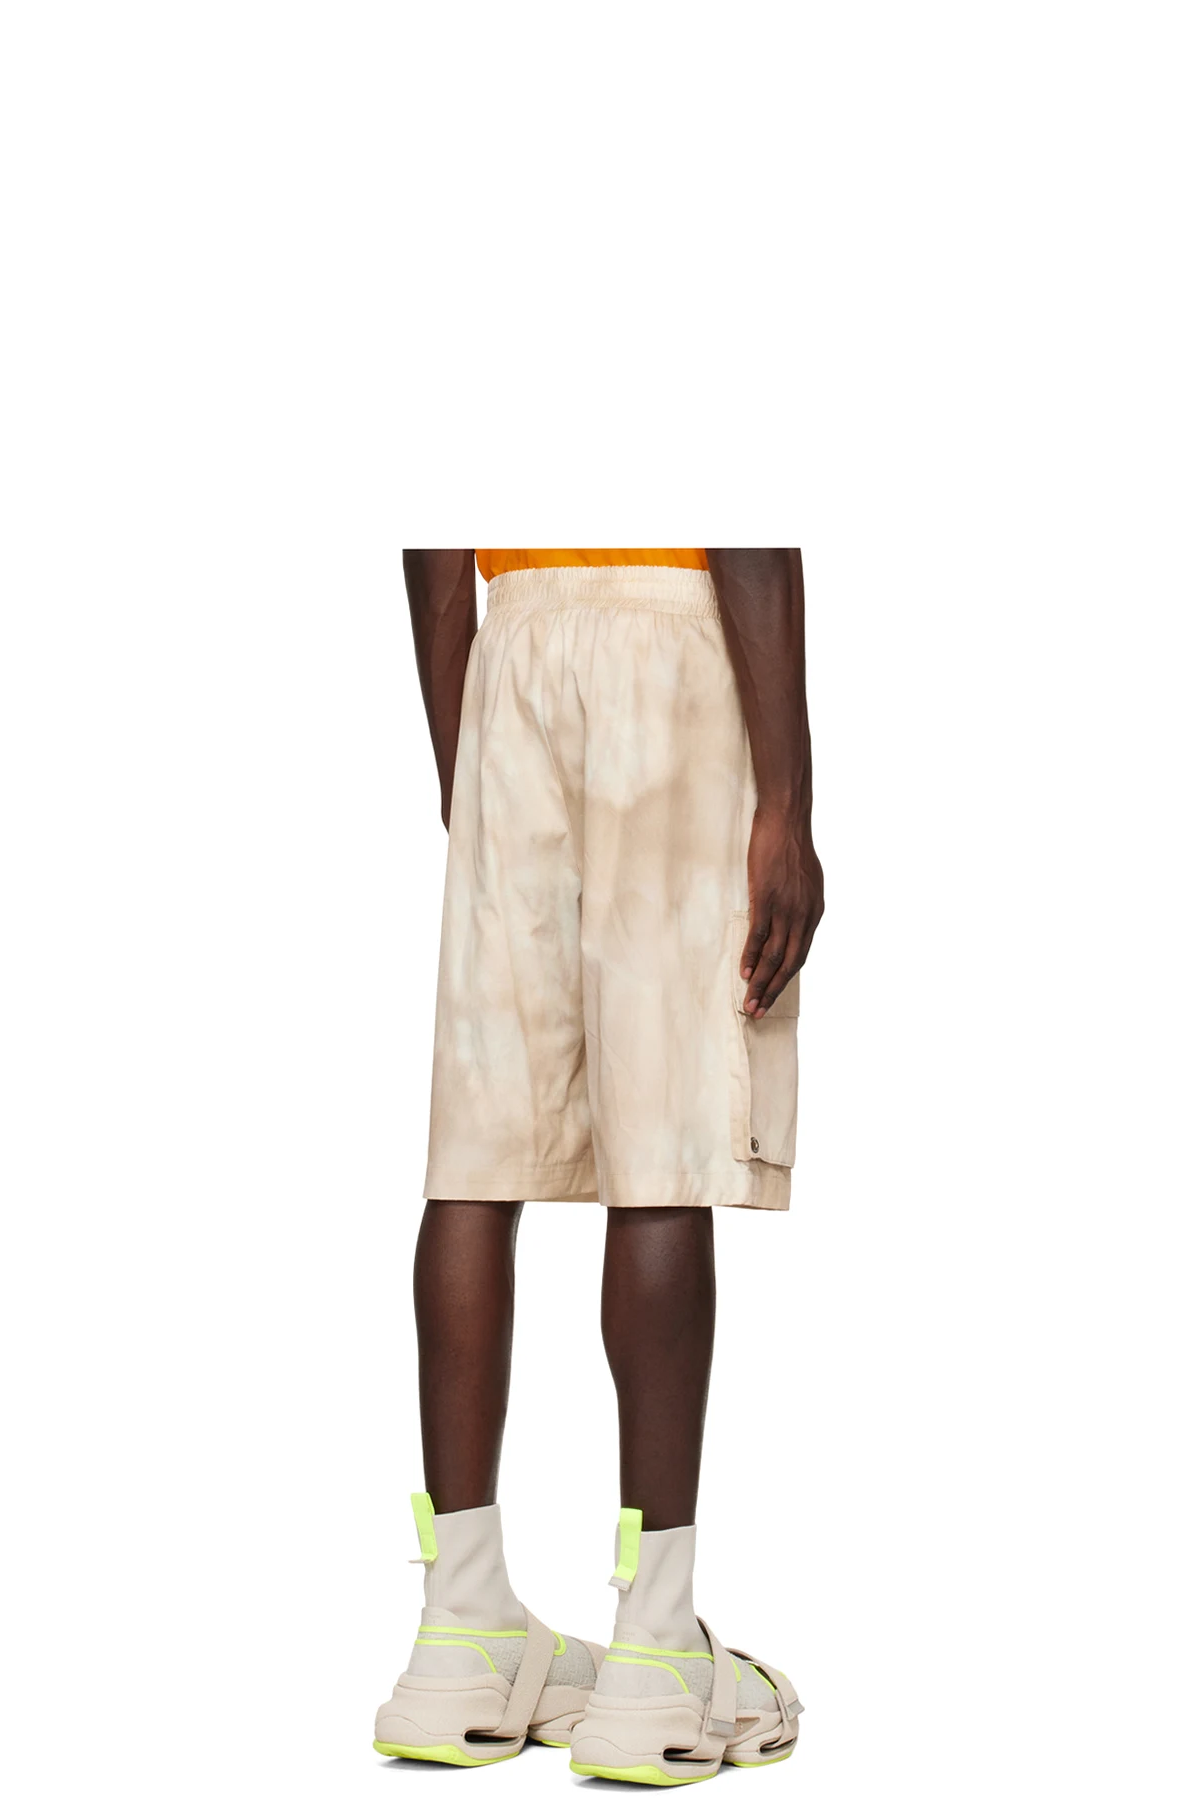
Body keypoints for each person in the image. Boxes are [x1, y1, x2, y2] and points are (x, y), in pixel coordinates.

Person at [373, 549, 824, 1783]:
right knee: (665, 1138)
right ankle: (656, 1647)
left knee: (479, 1144)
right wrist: (786, 803)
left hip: (509, 647)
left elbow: (431, 547)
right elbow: (743, 532)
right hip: (668, 643)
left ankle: (462, 1620)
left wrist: (466, 748)